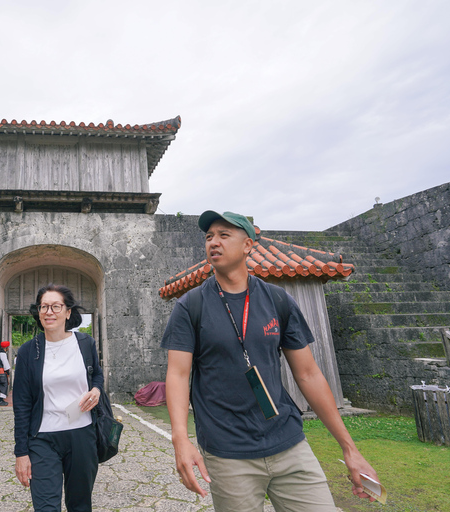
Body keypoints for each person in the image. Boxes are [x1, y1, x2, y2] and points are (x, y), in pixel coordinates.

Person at [162, 210, 379, 512]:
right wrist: (180, 440)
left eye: (224, 235)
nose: (213, 242)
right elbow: (177, 374)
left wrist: (350, 449)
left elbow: (308, 374)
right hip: (227, 452)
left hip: (289, 443)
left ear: (247, 245)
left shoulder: (277, 300)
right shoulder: (191, 306)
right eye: (209, 236)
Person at [13, 284, 103, 512]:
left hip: (82, 434)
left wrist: (96, 390)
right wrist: (21, 452)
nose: (49, 312)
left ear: (68, 312)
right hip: (42, 438)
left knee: (80, 505)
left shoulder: (85, 344)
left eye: (56, 306)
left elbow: (97, 375)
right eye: (44, 307)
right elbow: (21, 405)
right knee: (45, 507)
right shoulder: (27, 352)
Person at [0, 340, 11, 406]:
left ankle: (0, 400)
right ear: (6, 348)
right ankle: (1, 400)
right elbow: (5, 364)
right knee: (3, 385)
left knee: (0, 385)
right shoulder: (3, 354)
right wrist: (8, 371)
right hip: (2, 372)